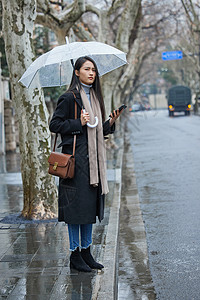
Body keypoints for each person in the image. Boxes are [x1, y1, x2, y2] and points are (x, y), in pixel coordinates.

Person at [49, 56, 121, 272]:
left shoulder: (96, 98)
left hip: (94, 165)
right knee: (75, 210)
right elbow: (55, 124)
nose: (91, 73)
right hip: (75, 164)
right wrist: (77, 122)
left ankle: (87, 252)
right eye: (87, 69)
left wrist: (110, 123)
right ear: (77, 72)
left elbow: (97, 131)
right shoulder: (69, 98)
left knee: (89, 208)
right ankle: (75, 254)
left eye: (94, 70)